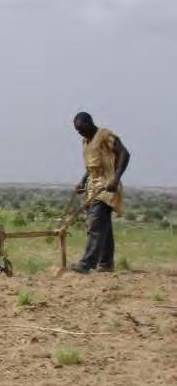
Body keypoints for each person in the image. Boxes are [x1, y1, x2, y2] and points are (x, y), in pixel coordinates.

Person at [70, 112, 130, 274]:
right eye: (77, 131)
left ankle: (86, 263)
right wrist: (83, 181)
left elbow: (125, 153)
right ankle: (106, 263)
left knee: (95, 223)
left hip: (106, 187)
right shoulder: (86, 142)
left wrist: (116, 179)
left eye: (82, 129)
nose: (80, 133)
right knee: (104, 227)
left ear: (90, 123)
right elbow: (91, 168)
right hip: (93, 188)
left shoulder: (104, 135)